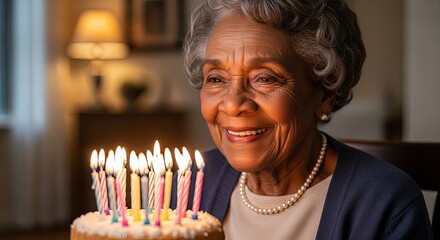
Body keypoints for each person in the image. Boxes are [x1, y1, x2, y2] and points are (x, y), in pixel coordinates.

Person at [173, 0, 434, 239]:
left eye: (265, 78)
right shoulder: (185, 186)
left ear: (324, 92)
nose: (232, 104)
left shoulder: (385, 205)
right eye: (216, 79)